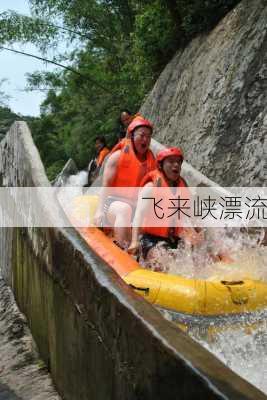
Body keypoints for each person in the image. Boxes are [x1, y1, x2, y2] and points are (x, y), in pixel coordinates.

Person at [128, 147, 203, 270]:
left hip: (175, 239)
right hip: (151, 239)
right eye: (171, 161)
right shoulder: (151, 187)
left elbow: (191, 214)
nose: (176, 165)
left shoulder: (182, 186)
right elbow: (138, 215)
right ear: (161, 165)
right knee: (163, 265)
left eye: (178, 162)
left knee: (198, 252)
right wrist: (134, 241)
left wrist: (200, 232)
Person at [94, 117, 156, 248]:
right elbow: (106, 186)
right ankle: (122, 250)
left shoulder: (152, 163)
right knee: (124, 209)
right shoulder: (117, 156)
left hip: (136, 207)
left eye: (149, 137)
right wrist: (99, 211)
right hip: (113, 204)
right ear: (132, 136)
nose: (146, 140)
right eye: (142, 135)